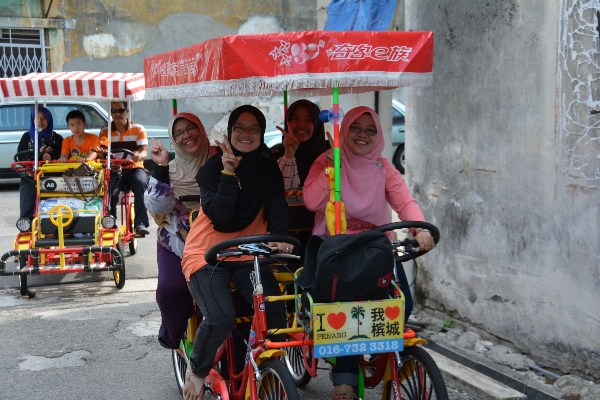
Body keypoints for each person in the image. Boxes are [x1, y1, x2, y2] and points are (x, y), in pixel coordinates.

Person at [303, 106, 435, 400]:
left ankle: (376, 351)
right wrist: (330, 166)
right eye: (355, 127)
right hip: (335, 250)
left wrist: (421, 230)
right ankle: (345, 377)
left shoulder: (383, 167)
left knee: (404, 304)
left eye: (370, 129)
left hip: (375, 249)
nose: (362, 134)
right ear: (344, 129)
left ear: (377, 135)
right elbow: (312, 202)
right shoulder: (326, 162)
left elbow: (405, 202)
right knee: (349, 312)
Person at [181, 105, 293, 400]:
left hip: (248, 251)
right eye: (239, 128)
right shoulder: (212, 168)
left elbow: (278, 207)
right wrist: (229, 172)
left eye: (253, 128)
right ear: (230, 133)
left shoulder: (267, 168)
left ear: (261, 133)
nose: (246, 134)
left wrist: (281, 238)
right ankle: (197, 369)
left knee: (277, 310)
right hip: (207, 254)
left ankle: (269, 366)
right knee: (220, 317)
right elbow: (219, 214)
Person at [144, 112, 218, 349]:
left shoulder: (221, 158)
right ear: (173, 140)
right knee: (172, 289)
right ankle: (173, 332)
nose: (187, 135)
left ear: (202, 129)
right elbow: (157, 205)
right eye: (179, 133)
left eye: (191, 128)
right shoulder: (170, 167)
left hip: (220, 239)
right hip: (179, 240)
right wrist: (162, 166)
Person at [99, 101, 150, 235]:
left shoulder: (139, 129)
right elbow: (101, 151)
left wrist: (139, 156)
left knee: (140, 183)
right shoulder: (105, 131)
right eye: (113, 111)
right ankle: (110, 222)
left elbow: (144, 152)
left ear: (126, 111)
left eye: (120, 111)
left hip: (134, 168)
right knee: (110, 191)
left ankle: (140, 223)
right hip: (115, 169)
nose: (117, 114)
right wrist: (105, 154)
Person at [16, 106, 63, 220]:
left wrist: (51, 156)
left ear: (49, 120)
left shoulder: (57, 138)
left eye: (43, 118)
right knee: (27, 204)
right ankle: (26, 226)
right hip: (30, 176)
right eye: (36, 118)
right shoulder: (27, 137)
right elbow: (21, 156)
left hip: (52, 176)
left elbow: (63, 156)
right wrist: (37, 154)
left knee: (54, 208)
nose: (40, 122)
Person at [274, 99, 329, 190]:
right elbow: (276, 190)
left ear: (317, 123)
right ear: (288, 122)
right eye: (295, 119)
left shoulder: (329, 153)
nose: (301, 125)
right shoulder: (277, 154)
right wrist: (289, 154)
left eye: (308, 120)